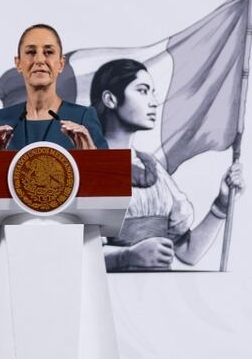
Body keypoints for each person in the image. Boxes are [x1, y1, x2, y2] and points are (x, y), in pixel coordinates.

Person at [89, 58, 244, 270]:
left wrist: (222, 204)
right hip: (114, 295)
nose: (153, 101)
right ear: (110, 99)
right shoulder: (92, 166)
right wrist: (127, 256)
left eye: (153, 92)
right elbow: (81, 256)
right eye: (143, 91)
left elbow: (188, 253)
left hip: (160, 294)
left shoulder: (151, 166)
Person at [0, 23, 107, 151]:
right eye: (31, 52)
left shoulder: (83, 118)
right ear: (18, 63)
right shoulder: (0, 121)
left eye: (48, 52)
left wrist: (92, 156)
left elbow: (110, 169)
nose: (39, 60)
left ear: (61, 64)